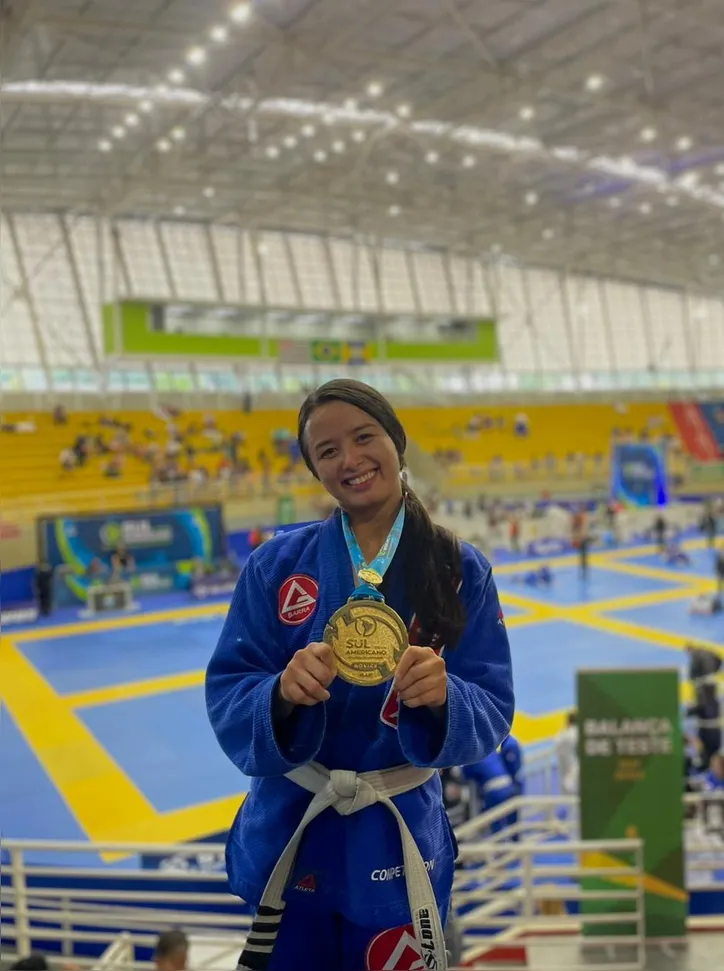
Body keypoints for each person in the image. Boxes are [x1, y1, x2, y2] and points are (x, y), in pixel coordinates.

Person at [205, 378, 514, 971]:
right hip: (293, 826)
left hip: (396, 838)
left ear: (396, 440)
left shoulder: (459, 569)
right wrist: (279, 695)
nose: (349, 459)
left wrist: (446, 698)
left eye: (364, 437)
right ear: (315, 470)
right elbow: (228, 691)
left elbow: (494, 707)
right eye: (328, 451)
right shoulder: (275, 566)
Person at [555, 710, 579, 795]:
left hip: (568, 776)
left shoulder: (562, 736)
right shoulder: (582, 735)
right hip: (579, 776)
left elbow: (557, 747)